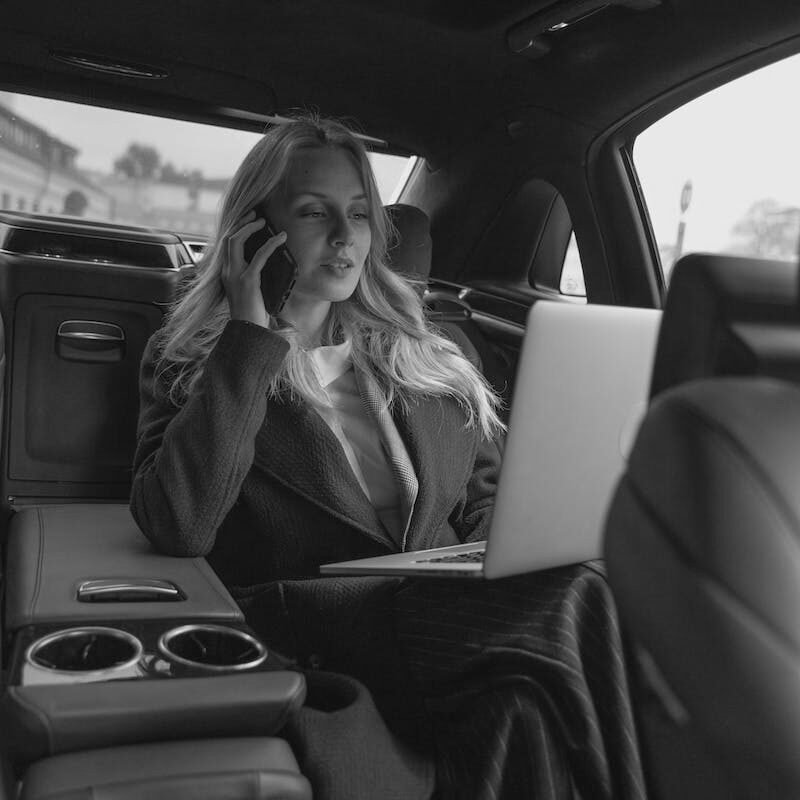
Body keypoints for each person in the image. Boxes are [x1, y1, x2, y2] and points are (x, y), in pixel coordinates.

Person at [130, 114, 646, 800]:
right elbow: (179, 524)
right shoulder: (196, 362)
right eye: (315, 213)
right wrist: (252, 339)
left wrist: (500, 552)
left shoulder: (432, 353)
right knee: (576, 602)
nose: (346, 237)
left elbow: (484, 497)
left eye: (359, 213)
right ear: (256, 229)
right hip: (320, 625)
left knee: (530, 695)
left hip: (445, 614)